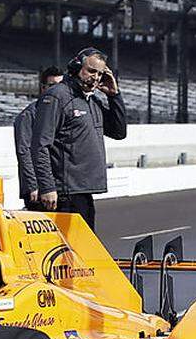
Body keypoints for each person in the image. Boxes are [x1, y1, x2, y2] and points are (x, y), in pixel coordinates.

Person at [31, 47, 128, 231]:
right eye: (91, 71)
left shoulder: (93, 100)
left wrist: (114, 96)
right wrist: (47, 187)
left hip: (83, 192)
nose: (96, 77)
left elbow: (118, 132)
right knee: (67, 254)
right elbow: (40, 145)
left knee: (82, 253)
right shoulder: (57, 96)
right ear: (76, 67)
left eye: (100, 74)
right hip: (64, 195)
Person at [14, 67, 64, 211]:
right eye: (53, 86)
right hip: (38, 190)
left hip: (56, 186)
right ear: (43, 88)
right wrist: (33, 185)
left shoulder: (61, 112)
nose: (57, 91)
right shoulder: (29, 115)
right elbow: (24, 151)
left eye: (61, 86)